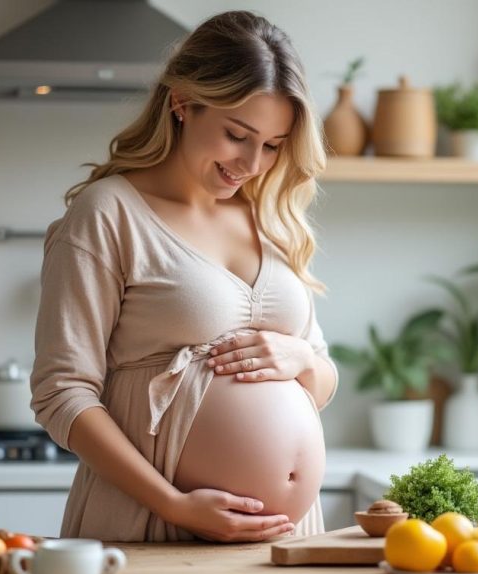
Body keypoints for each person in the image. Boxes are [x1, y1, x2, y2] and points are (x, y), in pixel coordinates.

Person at [30, 10, 338, 543]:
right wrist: (174, 505)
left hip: (288, 540)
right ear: (182, 103)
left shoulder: (272, 217)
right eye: (236, 135)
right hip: (152, 524)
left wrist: (303, 359)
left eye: (271, 144)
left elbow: (325, 379)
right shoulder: (108, 214)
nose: (251, 163)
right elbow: (62, 393)